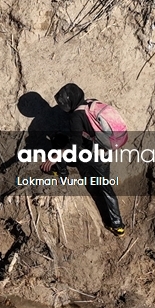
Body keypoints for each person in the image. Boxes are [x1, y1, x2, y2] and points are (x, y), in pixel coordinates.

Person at [40, 82, 126, 236]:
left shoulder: (75, 117)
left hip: (90, 153)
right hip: (104, 152)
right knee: (106, 188)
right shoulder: (91, 103)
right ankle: (118, 225)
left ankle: (63, 173)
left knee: (58, 141)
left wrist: (57, 156)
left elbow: (74, 144)